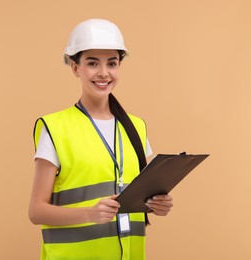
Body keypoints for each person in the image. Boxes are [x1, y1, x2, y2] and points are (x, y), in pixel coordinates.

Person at [29, 18, 173, 260]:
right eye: (92, 63)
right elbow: (36, 211)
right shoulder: (55, 128)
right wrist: (89, 214)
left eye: (112, 63)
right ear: (75, 68)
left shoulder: (136, 127)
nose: (104, 73)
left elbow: (145, 193)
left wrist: (160, 204)